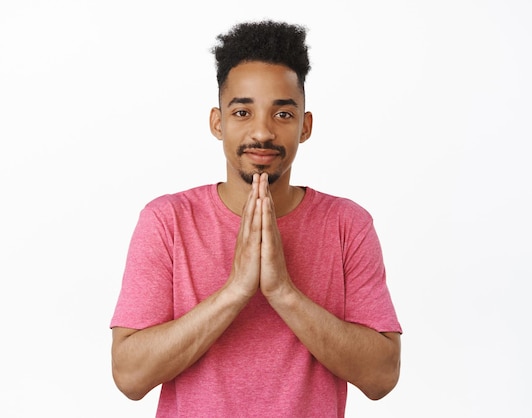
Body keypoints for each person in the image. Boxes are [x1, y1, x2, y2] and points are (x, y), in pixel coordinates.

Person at [110, 20, 402, 417]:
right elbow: (129, 376)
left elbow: (382, 376)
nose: (262, 132)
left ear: (306, 125)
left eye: (282, 114)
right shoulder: (167, 221)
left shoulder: (347, 224)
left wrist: (282, 291)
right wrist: (235, 291)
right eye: (243, 111)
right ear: (218, 123)